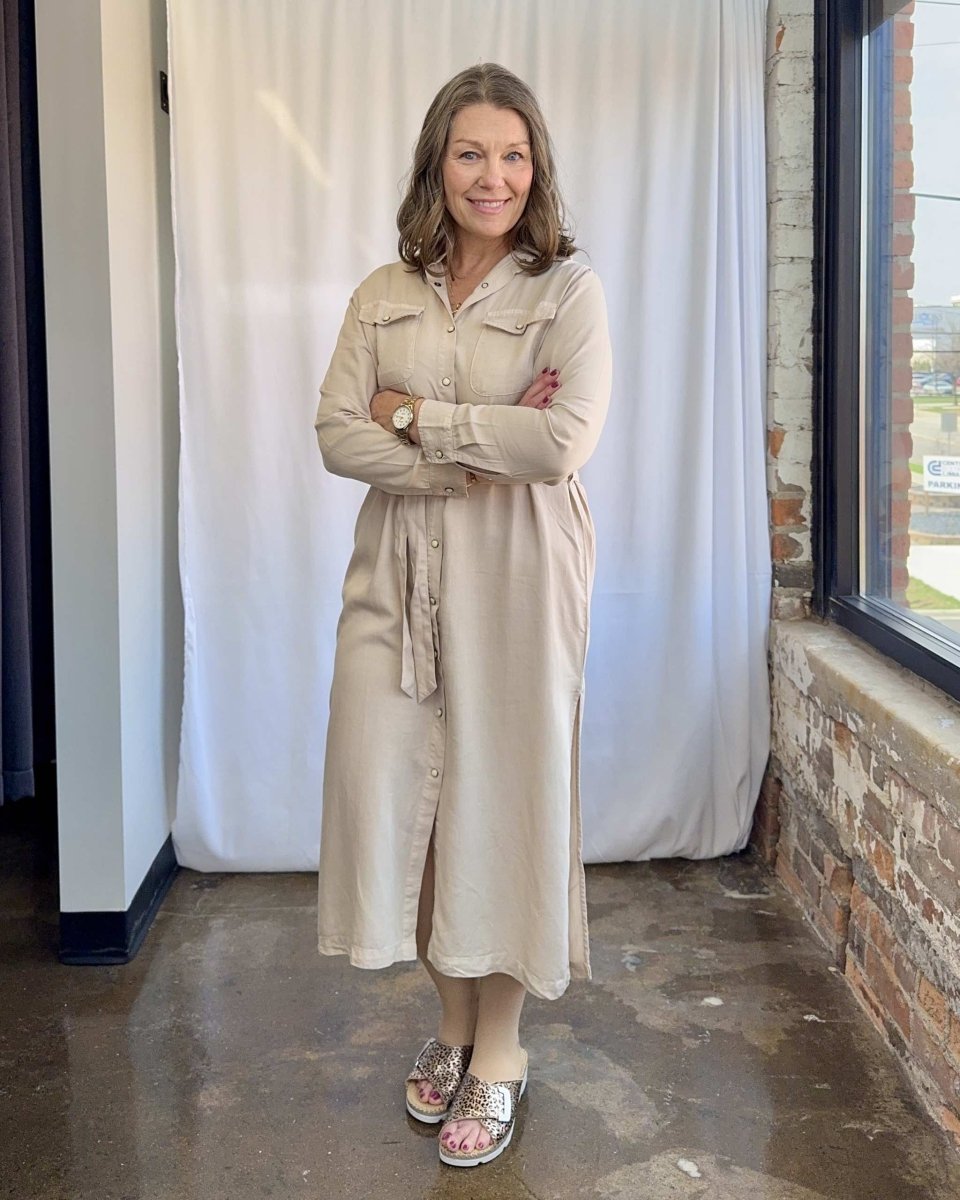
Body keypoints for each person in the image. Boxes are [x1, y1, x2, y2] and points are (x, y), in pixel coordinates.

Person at [313, 61, 612, 1168]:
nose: (495, 176)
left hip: (521, 574)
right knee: (405, 794)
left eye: (514, 154)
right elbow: (337, 433)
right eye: (473, 152)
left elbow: (561, 442)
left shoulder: (566, 292)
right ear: (437, 163)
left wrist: (416, 417)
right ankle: (450, 1022)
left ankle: (501, 1050)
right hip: (395, 574)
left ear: (538, 168)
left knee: (505, 795)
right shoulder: (381, 292)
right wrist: (472, 450)